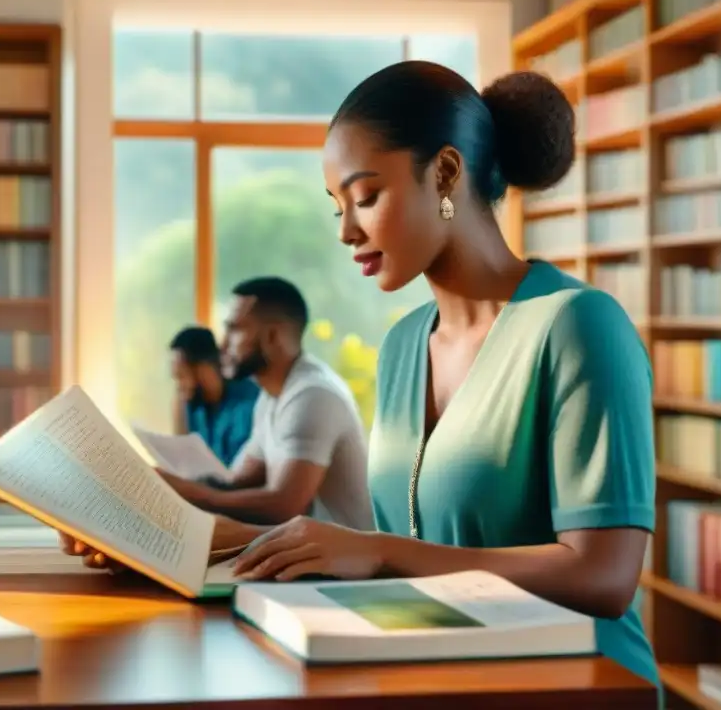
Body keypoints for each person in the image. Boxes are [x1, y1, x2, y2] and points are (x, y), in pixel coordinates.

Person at [62, 62, 657, 697]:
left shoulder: (578, 326)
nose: (347, 231)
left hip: (576, 684)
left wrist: (378, 552)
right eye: (338, 206)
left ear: (446, 174)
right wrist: (166, 534)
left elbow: (603, 576)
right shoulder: (403, 346)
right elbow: (384, 548)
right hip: (436, 673)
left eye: (366, 196)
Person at [157, 277, 373, 529]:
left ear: (272, 336)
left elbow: (284, 507)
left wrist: (190, 492)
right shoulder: (271, 397)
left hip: (343, 562)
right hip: (305, 552)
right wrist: (164, 482)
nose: (223, 345)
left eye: (234, 330)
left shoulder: (312, 395)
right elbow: (237, 481)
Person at [168, 326, 259, 468]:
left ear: (205, 369)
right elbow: (181, 464)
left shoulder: (250, 404)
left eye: (182, 377)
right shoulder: (193, 404)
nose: (179, 388)